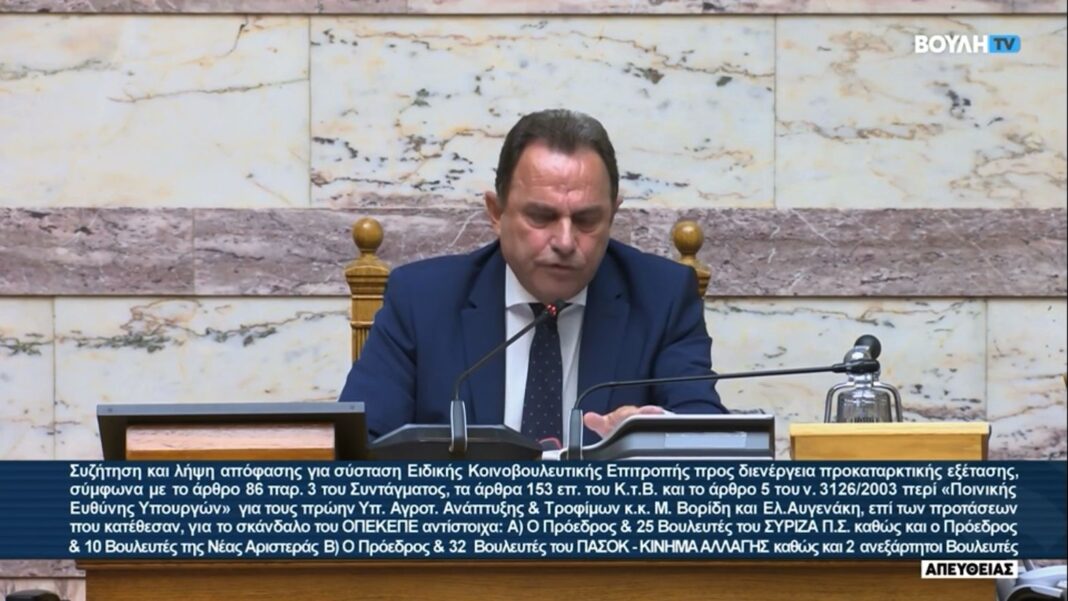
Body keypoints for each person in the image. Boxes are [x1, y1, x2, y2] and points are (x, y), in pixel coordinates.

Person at [339, 109, 726, 443]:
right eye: (541, 217)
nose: (565, 241)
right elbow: (358, 446)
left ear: (612, 214)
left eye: (587, 220)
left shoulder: (662, 298)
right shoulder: (422, 301)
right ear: (496, 212)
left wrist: (656, 432)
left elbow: (706, 434)